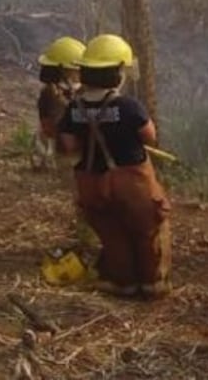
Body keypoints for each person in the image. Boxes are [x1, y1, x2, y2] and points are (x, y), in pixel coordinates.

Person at [57, 34, 171, 299]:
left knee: (111, 231)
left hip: (91, 181)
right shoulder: (128, 106)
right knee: (148, 230)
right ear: (117, 72)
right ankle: (152, 284)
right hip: (132, 182)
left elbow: (70, 145)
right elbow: (149, 137)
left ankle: (123, 283)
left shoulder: (74, 107)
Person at [34, 36, 85, 170]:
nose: (79, 73)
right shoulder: (49, 94)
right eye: (77, 69)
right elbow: (48, 125)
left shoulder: (81, 90)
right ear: (64, 70)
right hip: (62, 150)